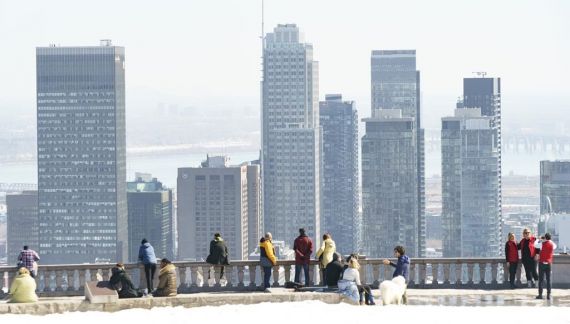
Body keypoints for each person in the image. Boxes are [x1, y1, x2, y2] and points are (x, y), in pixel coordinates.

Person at [534, 233, 557, 300]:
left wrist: (538, 239)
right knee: (548, 280)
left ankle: (540, 295)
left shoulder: (541, 244)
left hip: (542, 264)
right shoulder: (552, 244)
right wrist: (548, 240)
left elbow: (535, 245)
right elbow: (555, 245)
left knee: (541, 280)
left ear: (545, 238)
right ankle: (548, 295)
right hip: (549, 264)